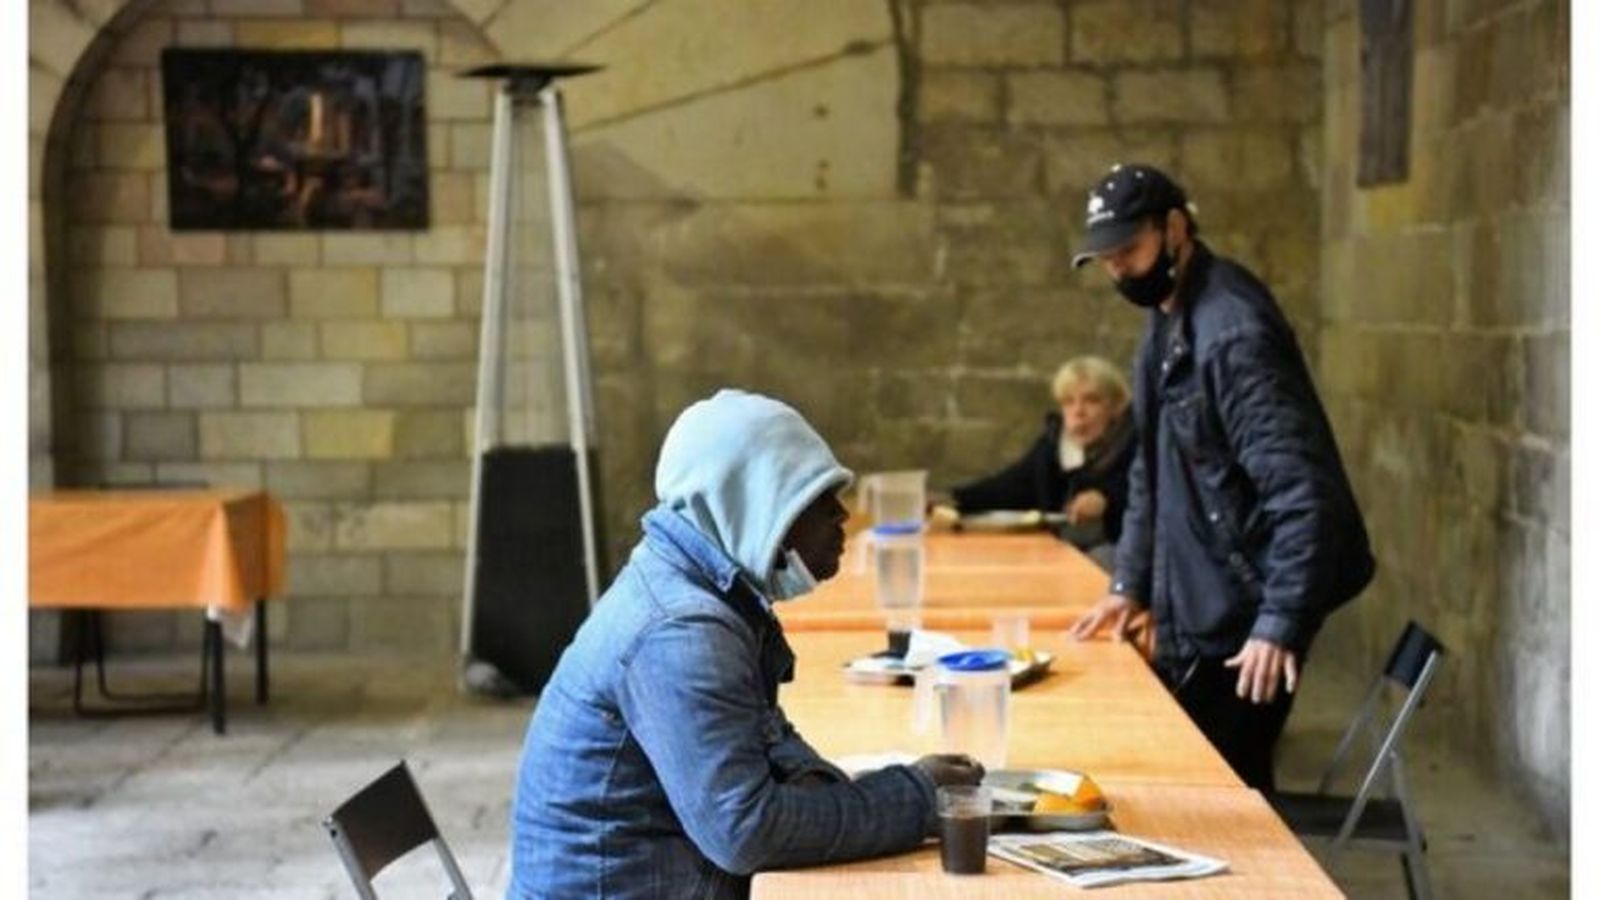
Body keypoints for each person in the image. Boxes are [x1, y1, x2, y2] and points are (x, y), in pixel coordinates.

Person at [509, 389, 985, 899]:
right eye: (815, 498)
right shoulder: (683, 630)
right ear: (752, 506)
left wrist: (883, 791)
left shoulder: (703, 590)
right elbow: (746, 832)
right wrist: (917, 796)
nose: (841, 515)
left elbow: (768, 752)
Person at [1066, 164, 1375, 791]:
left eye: (1129, 249)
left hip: (1240, 618)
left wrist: (1279, 622)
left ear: (1175, 227)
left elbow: (1301, 491)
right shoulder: (1168, 317)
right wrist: (1129, 583)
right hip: (1200, 605)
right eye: (1106, 257)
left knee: (1227, 804)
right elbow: (1153, 471)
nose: (1118, 268)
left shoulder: (1231, 332)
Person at [947, 356, 1135, 557]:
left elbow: (1141, 495)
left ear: (1116, 407)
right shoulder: (1053, 446)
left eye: (1091, 401)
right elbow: (1010, 486)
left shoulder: (1136, 446)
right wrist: (952, 500)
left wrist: (1106, 500)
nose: (1078, 412)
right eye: (1068, 402)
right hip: (1059, 551)